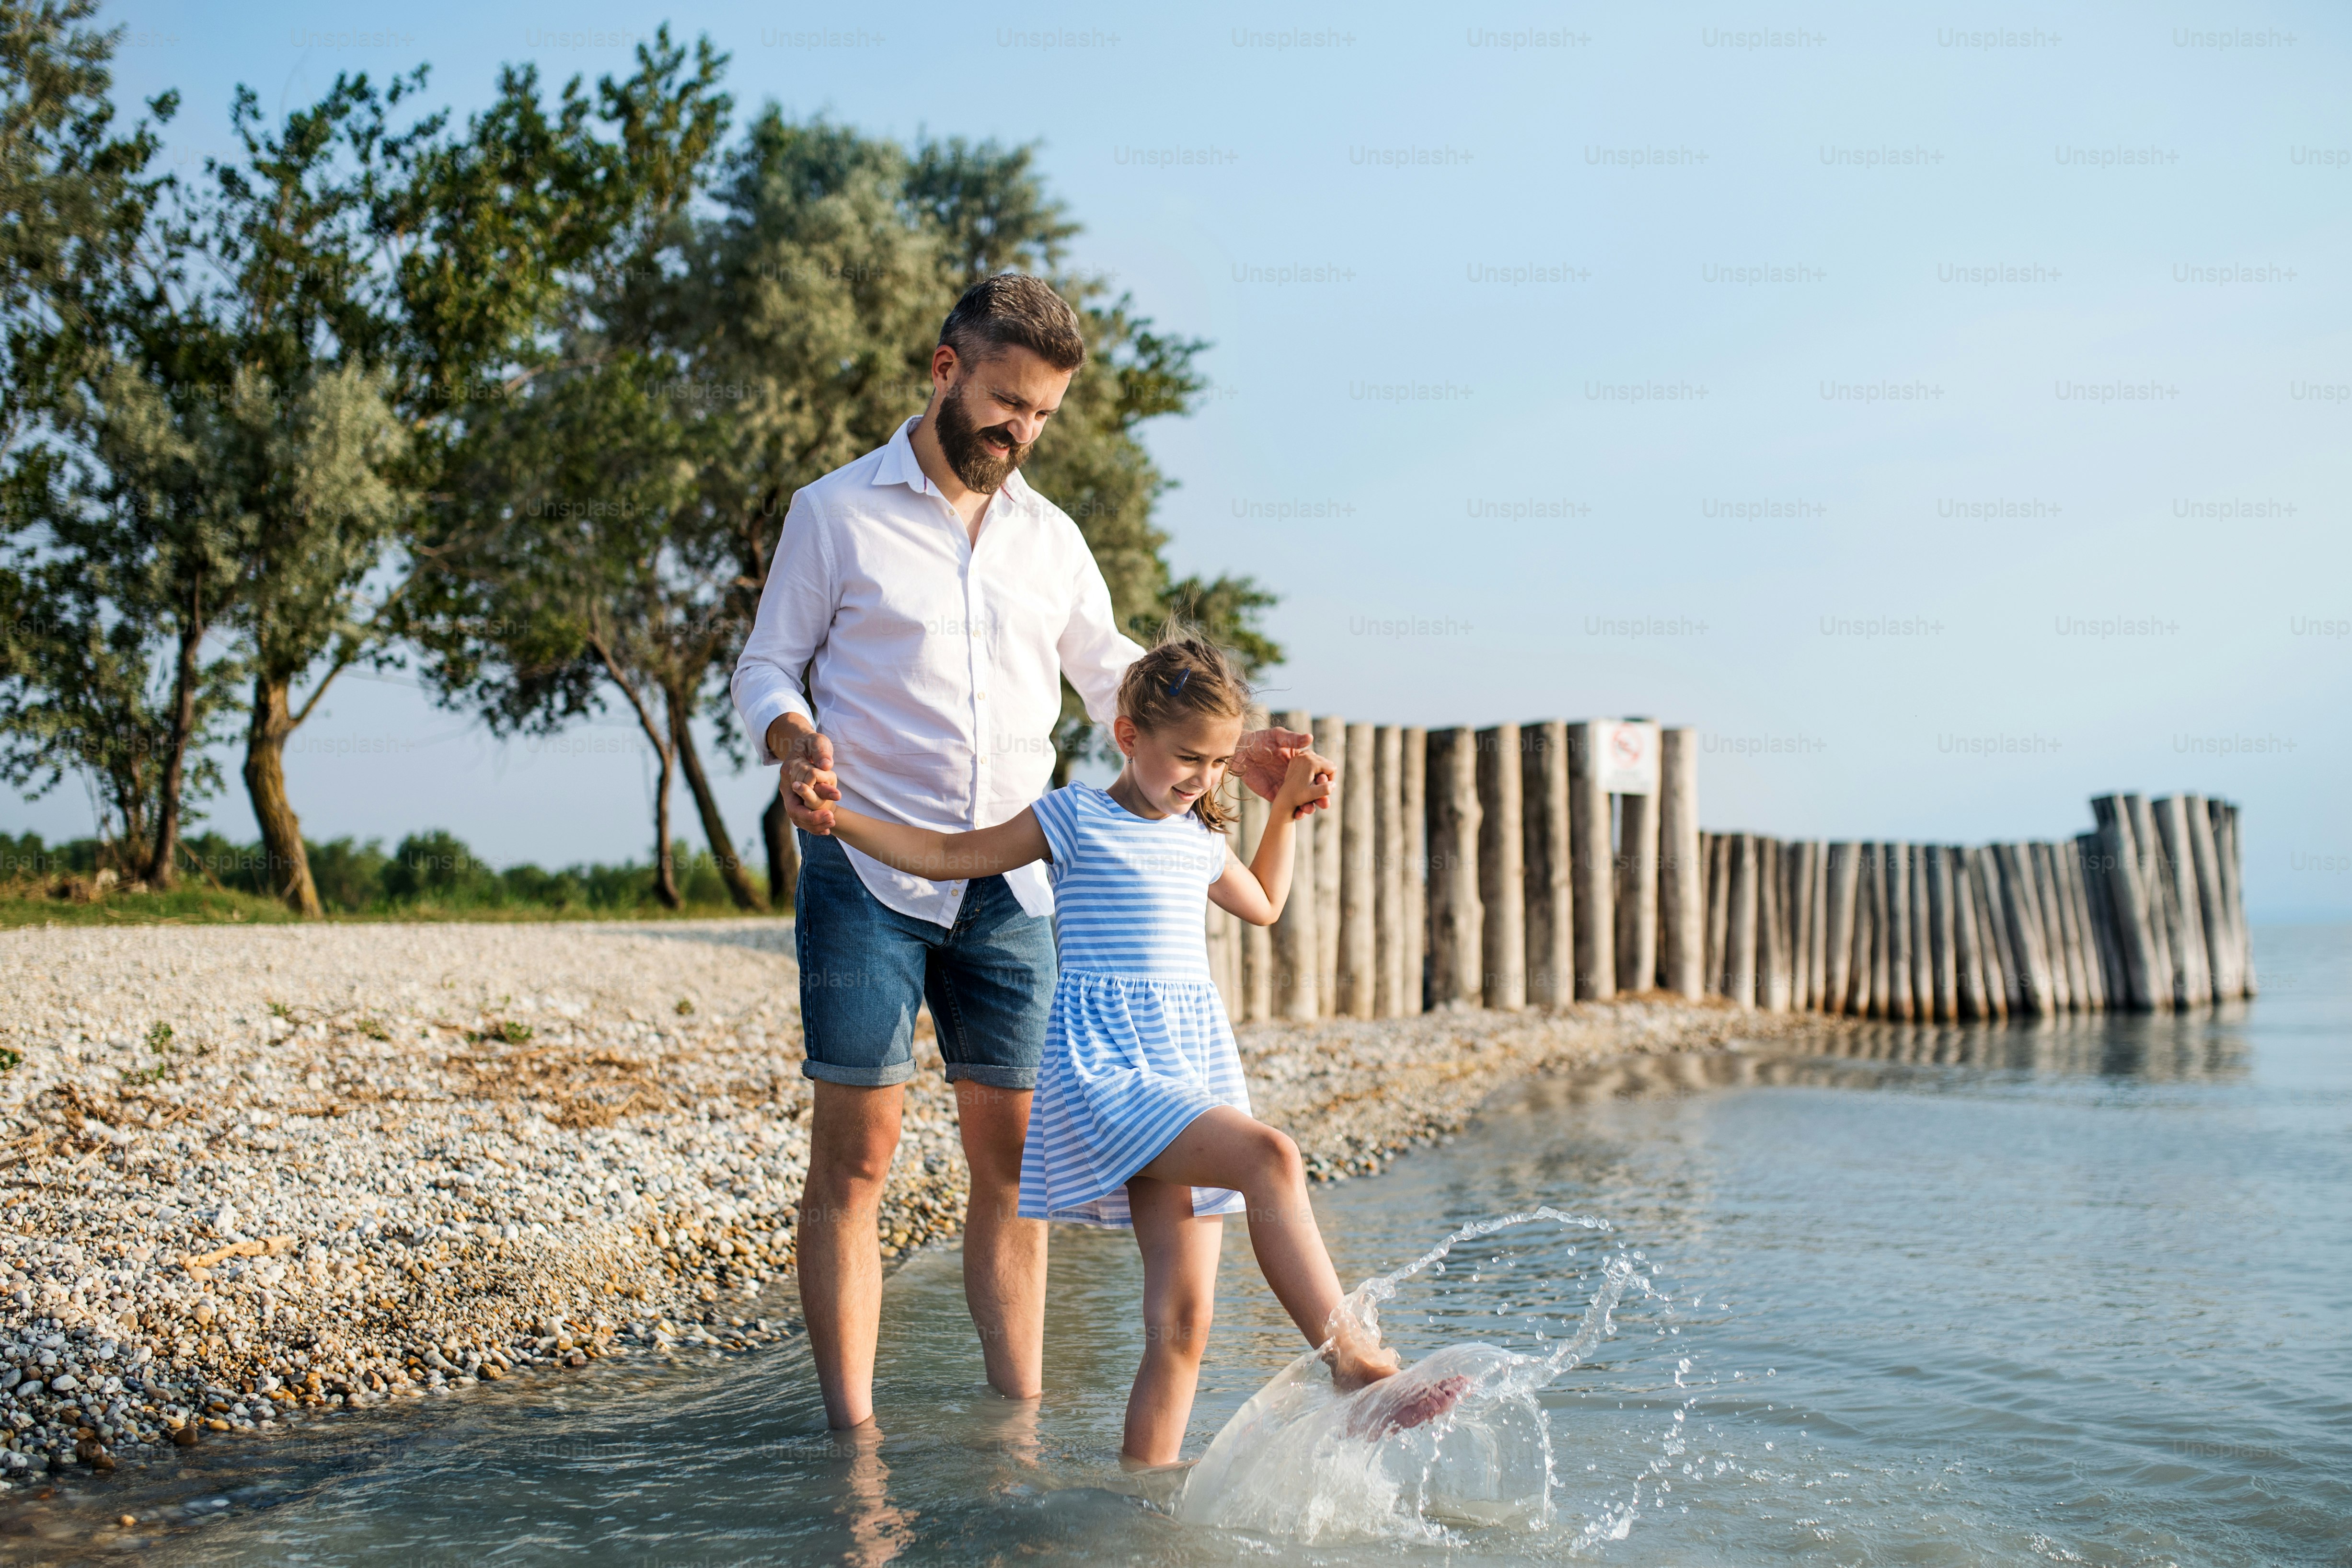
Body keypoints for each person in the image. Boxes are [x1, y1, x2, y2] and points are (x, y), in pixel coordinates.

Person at [731, 274, 1323, 1431]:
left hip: (1014, 889)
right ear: (946, 368)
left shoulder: (1051, 539)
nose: (1022, 431)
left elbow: (1117, 676)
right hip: (869, 875)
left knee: (1012, 1169)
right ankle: (853, 1446)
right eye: (1008, 403)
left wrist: (1239, 748)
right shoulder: (836, 511)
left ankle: (1015, 1437)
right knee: (858, 1162)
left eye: (1044, 414)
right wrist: (795, 739)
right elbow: (767, 664)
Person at [798, 633, 1459, 1466]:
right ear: (1127, 736)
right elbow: (946, 856)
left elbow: (1261, 903)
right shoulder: (1075, 817)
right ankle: (1353, 1363)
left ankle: (1140, 1505)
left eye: (1220, 764)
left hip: (1189, 1069)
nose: (1205, 779)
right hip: (1111, 1070)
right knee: (1273, 1159)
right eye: (1188, 758)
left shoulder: (1195, 840)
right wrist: (837, 819)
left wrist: (1285, 810)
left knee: (1184, 1326)